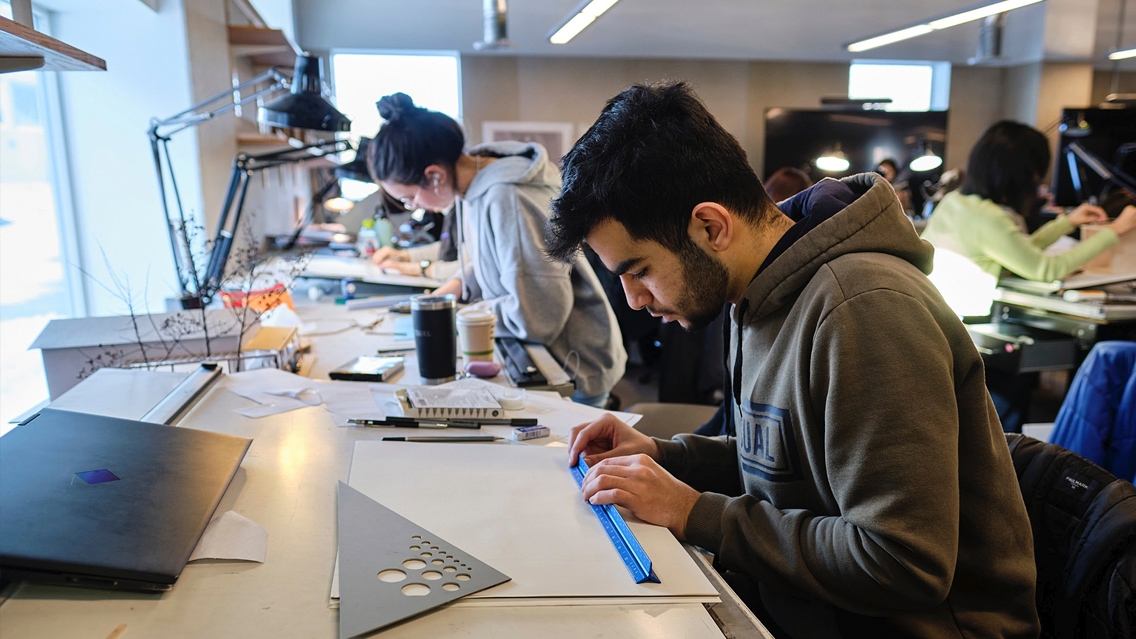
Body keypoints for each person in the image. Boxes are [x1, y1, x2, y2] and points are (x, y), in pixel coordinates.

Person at [547, 82, 1039, 638]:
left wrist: (695, 512)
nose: (635, 300)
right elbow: (786, 466)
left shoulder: (865, 309)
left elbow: (903, 562)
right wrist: (665, 457)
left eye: (639, 271)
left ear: (711, 227)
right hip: (803, 609)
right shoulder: (752, 293)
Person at [367, 93, 626, 407]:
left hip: (574, 368)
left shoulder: (508, 198)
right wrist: (457, 285)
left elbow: (540, 316)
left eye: (409, 198)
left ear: (435, 176)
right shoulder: (472, 186)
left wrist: (465, 314)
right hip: (545, 356)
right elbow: (497, 259)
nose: (414, 207)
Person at [921, 120, 1136, 282]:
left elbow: (1019, 252)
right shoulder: (989, 217)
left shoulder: (955, 201)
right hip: (961, 321)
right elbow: (1047, 270)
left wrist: (1067, 223)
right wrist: (1116, 229)